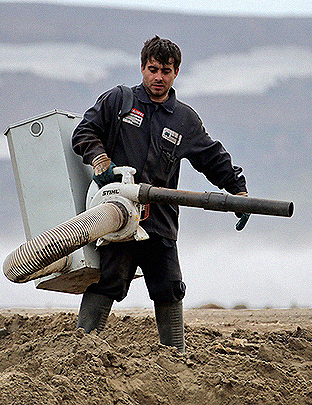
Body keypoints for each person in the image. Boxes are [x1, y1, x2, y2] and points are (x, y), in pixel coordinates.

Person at [71, 36, 249, 352]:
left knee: (169, 287)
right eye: (153, 69)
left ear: (176, 73)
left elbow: (212, 157)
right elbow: (84, 132)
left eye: (166, 71)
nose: (158, 77)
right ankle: (82, 353)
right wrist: (99, 158)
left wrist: (239, 191)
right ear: (142, 68)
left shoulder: (184, 119)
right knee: (107, 282)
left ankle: (175, 358)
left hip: (160, 221)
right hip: (116, 217)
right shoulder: (119, 101)